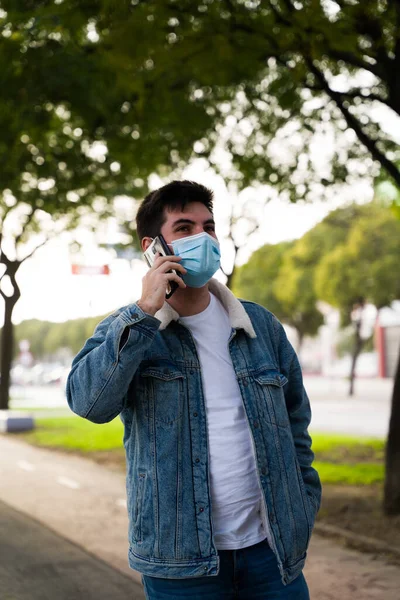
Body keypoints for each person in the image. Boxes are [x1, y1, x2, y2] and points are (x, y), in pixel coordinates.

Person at [67, 180, 321, 599]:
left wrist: (303, 505)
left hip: (271, 554)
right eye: (184, 228)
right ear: (154, 248)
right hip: (180, 562)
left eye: (209, 226)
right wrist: (144, 311)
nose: (201, 238)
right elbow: (88, 402)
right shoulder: (129, 328)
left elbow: (296, 425)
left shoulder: (261, 327)